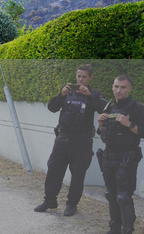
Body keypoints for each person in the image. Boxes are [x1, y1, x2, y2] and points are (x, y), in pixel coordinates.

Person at [35, 65, 108, 216]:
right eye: (78, 76)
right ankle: (50, 200)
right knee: (54, 170)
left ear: (90, 78)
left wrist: (90, 96)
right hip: (63, 139)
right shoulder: (68, 93)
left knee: (78, 174)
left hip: (82, 141)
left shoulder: (94, 94)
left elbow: (105, 109)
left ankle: (71, 204)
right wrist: (61, 95)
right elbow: (52, 107)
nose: (80, 80)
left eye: (84, 77)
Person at [96, 75, 144, 234]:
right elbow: (104, 135)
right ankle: (114, 230)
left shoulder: (138, 108)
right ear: (112, 87)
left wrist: (128, 123)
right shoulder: (109, 107)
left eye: (123, 87)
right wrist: (101, 125)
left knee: (123, 197)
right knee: (111, 194)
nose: (119, 90)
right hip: (109, 156)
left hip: (127, 156)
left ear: (130, 88)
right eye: (116, 86)